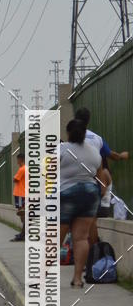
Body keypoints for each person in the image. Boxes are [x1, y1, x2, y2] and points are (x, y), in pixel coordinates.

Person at [60, 119, 101, 287]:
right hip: (90, 193)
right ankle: (77, 279)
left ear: (68, 133)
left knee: (56, 237)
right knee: (81, 238)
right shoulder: (94, 152)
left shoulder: (61, 149)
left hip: (67, 193)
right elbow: (98, 173)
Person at [11, 153, 26, 241]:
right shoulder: (25, 169)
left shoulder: (22, 169)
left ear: (20, 160)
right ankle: (23, 233)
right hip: (23, 194)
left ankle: (23, 234)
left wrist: (14, 178)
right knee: (22, 213)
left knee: (22, 214)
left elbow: (15, 179)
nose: (17, 162)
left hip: (20, 194)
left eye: (17, 160)